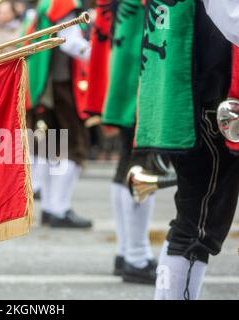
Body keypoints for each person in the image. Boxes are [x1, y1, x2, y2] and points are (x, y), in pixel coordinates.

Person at [134, 0, 235, 299]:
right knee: (195, 231)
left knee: (191, 225)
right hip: (211, 100)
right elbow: (232, 18)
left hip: (190, 94)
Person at [101, 0, 157, 284]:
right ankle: (136, 256)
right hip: (142, 79)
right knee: (144, 167)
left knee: (128, 163)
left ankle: (127, 252)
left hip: (128, 77)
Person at [26, 0, 93, 228]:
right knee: (75, 145)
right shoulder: (65, 2)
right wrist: (102, 58)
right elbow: (70, 42)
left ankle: (50, 208)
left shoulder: (47, 3)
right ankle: (58, 208)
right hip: (63, 85)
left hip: (45, 83)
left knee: (50, 148)